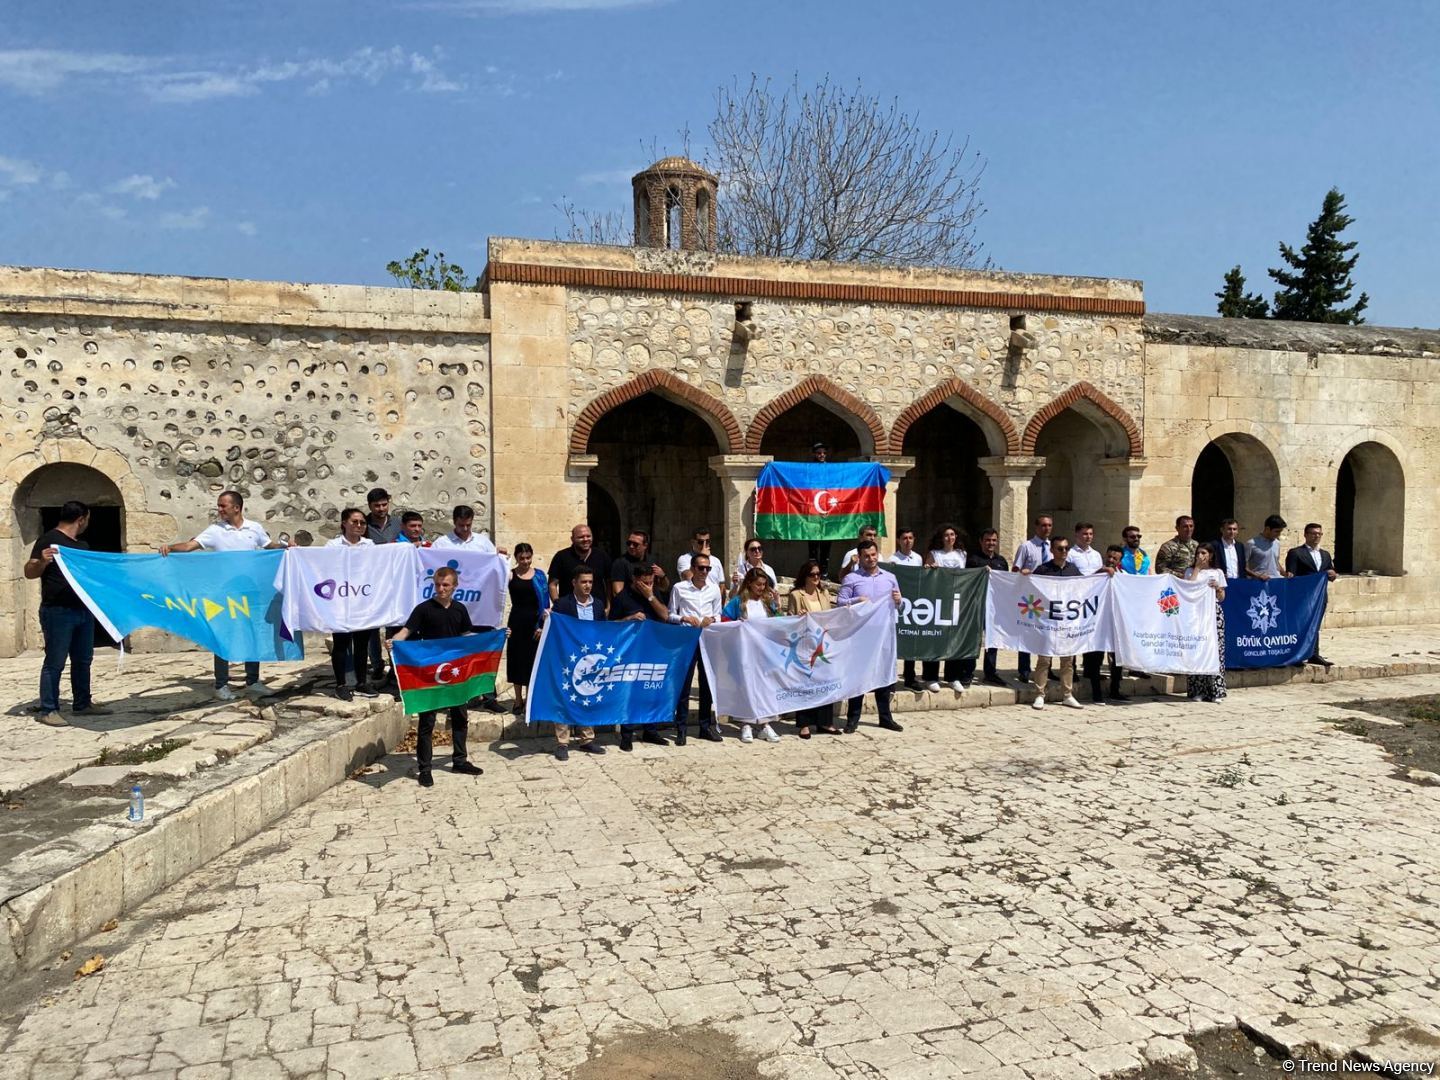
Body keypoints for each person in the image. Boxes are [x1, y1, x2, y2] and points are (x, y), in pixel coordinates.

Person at [160, 489, 287, 700]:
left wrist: (286, 547)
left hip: (249, 591)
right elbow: (190, 546)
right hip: (224, 592)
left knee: (251, 634)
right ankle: (221, 685)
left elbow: (269, 546)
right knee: (223, 636)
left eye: (223, 506)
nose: (219, 510)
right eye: (219, 505)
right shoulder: (214, 530)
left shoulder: (254, 528)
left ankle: (253, 681)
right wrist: (170, 548)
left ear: (236, 507)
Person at [385, 565, 485, 787]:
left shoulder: (460, 609)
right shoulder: (423, 609)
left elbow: (467, 635)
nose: (441, 589)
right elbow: (406, 631)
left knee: (460, 717)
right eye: (438, 585)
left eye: (446, 585)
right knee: (427, 721)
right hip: (430, 674)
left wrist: (494, 636)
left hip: (455, 673)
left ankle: (460, 760)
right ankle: (425, 768)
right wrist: (394, 642)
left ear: (455, 587)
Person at [25, 500, 107, 727]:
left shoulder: (82, 546)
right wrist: (42, 561)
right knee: (55, 661)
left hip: (83, 611)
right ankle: (48, 709)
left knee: (83, 659)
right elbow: (29, 572)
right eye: (87, 520)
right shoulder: (49, 540)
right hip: (57, 611)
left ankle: (83, 703)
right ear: (81, 519)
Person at [837, 540, 904, 734]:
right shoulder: (851, 578)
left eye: (873, 555)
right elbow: (840, 603)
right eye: (866, 556)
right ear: (860, 557)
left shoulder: (890, 577)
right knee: (858, 677)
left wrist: (900, 601)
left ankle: (885, 717)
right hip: (859, 636)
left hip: (883, 635)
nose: (871, 559)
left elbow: (900, 605)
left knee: (883, 677)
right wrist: (857, 600)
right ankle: (852, 719)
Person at [546, 567, 608, 760]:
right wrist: (546, 620)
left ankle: (587, 739)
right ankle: (562, 742)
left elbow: (603, 630)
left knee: (587, 695)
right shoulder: (563, 604)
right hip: (567, 659)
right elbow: (554, 629)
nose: (588, 585)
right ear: (574, 583)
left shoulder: (598, 605)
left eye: (590, 581)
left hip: (590, 660)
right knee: (564, 698)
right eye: (584, 582)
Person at [609, 563, 672, 751]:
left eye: (651, 582)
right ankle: (626, 734)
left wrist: (650, 596)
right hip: (630, 653)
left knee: (651, 690)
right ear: (635, 580)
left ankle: (650, 730)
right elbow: (611, 625)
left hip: (652, 649)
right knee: (629, 692)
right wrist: (628, 620)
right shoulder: (622, 597)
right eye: (644, 583)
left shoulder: (653, 593)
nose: (648, 585)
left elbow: (665, 615)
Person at [721, 568, 783, 744]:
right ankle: (746, 723)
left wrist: (777, 605)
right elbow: (724, 620)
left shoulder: (767, 603)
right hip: (744, 653)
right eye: (758, 584)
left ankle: (765, 724)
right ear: (749, 583)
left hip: (764, 654)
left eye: (764, 585)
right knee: (746, 687)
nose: (761, 588)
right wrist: (736, 624)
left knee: (765, 688)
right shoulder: (738, 602)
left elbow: (778, 622)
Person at [668, 549, 724, 744]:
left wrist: (712, 619)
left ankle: (704, 726)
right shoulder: (679, 588)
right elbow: (670, 614)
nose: (704, 572)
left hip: (707, 638)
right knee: (684, 684)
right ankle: (681, 728)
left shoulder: (714, 589)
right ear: (692, 568)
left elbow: (719, 613)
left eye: (708, 568)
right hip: (686, 638)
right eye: (701, 568)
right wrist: (684, 617)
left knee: (706, 683)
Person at [325, 508, 379, 701]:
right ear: (344, 523)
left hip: (362, 601)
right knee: (341, 643)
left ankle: (362, 682)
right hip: (341, 601)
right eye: (355, 522)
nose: (359, 526)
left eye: (362, 523)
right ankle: (340, 684)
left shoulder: (370, 544)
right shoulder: (332, 545)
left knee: (362, 644)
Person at [1028, 537, 1084, 711]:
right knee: (1044, 659)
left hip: (1067, 622)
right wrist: (1023, 575)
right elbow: (1028, 588)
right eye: (1060, 549)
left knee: (1068, 660)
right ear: (1052, 550)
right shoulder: (1043, 570)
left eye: (1066, 548)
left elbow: (1087, 586)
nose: (1064, 552)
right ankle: (1039, 694)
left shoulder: (1073, 570)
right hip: (1047, 622)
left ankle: (1067, 695)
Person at [787, 558, 839, 737]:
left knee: (825, 682)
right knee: (806, 684)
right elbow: (789, 621)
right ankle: (804, 723)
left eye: (818, 574)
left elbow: (831, 616)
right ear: (805, 576)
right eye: (812, 574)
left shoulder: (823, 594)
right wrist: (799, 617)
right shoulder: (796, 595)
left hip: (823, 644)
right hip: (804, 645)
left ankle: (825, 722)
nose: (816, 577)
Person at [920, 523, 968, 693]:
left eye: (952, 534)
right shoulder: (934, 554)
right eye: (946, 535)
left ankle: (953, 676)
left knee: (953, 639)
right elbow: (927, 575)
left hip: (955, 601)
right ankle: (931, 676)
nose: (950, 538)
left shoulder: (962, 554)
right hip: (937, 601)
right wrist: (929, 569)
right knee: (935, 638)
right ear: (941, 538)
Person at [1286, 523, 1338, 668]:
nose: (1316, 536)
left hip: (1320, 597)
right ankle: (1297, 654)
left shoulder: (1325, 554)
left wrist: (1333, 574)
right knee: (1300, 625)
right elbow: (1292, 576)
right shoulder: (1296, 553)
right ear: (1306, 534)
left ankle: (1313, 654)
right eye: (1313, 533)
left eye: (1319, 534)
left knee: (1315, 626)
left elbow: (1331, 573)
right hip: (1302, 597)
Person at [506, 543, 549, 716]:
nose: (525, 561)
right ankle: (518, 700)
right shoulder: (509, 575)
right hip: (516, 622)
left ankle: (531, 698)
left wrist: (542, 625)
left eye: (528, 557)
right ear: (516, 558)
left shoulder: (539, 575)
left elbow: (546, 603)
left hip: (536, 623)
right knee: (517, 659)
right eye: (521, 558)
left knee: (533, 660)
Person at [1012, 515, 1055, 685]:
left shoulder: (1054, 547)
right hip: (1031, 597)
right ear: (1036, 527)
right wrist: (1022, 572)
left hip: (1049, 596)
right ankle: (1024, 670)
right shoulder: (1027, 546)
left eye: (1049, 525)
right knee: (1027, 631)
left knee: (1049, 633)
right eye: (1044, 525)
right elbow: (1015, 568)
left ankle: (1047, 669)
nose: (1047, 528)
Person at [1184, 544, 1228, 703]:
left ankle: (1215, 690)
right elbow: (1187, 588)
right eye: (1198, 553)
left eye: (1204, 553)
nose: (1201, 555)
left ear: (1210, 555)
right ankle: (1197, 689)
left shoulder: (1217, 572)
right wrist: (1196, 568)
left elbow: (1222, 597)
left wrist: (1218, 588)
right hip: (1196, 614)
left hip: (1213, 613)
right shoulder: (1190, 571)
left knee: (1215, 651)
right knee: (1196, 650)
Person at [1083, 545, 1127, 704]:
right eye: (1109, 556)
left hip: (1116, 622)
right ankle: (1097, 693)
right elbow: (1085, 586)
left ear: (1120, 561)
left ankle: (1115, 690)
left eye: (1115, 558)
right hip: (1099, 622)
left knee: (1116, 660)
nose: (1111, 560)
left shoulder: (1124, 576)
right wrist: (1101, 572)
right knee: (1096, 658)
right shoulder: (1097, 573)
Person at [969, 529, 1009, 688]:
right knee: (974, 639)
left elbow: (1007, 582)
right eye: (987, 540)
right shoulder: (973, 560)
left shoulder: (1002, 561)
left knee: (993, 640)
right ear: (981, 541)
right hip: (977, 604)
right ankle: (968, 671)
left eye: (993, 540)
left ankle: (990, 673)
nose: (990, 543)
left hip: (995, 607)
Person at [887, 528, 926, 692]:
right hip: (896, 605)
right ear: (898, 540)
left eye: (910, 538)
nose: (907, 541)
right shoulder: (892, 559)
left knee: (911, 639)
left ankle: (910, 676)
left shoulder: (918, 558)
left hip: (913, 605)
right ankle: (889, 679)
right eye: (904, 538)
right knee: (894, 641)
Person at [548, 524, 612, 603]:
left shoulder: (602, 556)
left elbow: (609, 583)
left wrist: (609, 606)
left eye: (588, 536)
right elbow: (552, 585)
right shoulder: (561, 557)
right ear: (572, 539)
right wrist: (558, 606)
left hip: (597, 610)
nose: (585, 539)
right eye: (581, 537)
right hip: (569, 610)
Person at [611, 528, 669, 599]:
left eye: (635, 544)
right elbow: (618, 592)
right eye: (629, 543)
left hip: (650, 602)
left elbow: (664, 588)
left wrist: (663, 576)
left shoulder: (651, 560)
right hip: (631, 604)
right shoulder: (620, 563)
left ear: (645, 546)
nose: (631, 546)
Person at [432, 504, 507, 555]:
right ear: (454, 522)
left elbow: (494, 562)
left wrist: (501, 556)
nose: (465, 528)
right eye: (461, 525)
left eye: (468, 525)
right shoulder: (440, 544)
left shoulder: (483, 542)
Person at [806, 441, 833, 577]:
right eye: (819, 453)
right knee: (813, 545)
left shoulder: (830, 469)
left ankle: (824, 573)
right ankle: (812, 571)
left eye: (824, 453)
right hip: (813, 513)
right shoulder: (809, 469)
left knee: (826, 544)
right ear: (814, 454)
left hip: (828, 511)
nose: (821, 455)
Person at [1245, 515, 1291, 581]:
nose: (1279, 534)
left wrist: (1285, 574)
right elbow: (1243, 567)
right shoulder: (1251, 544)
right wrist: (1257, 576)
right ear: (1267, 529)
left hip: (1276, 582)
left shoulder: (1277, 543)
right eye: (1277, 531)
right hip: (1259, 583)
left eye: (1280, 532)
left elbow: (1276, 562)